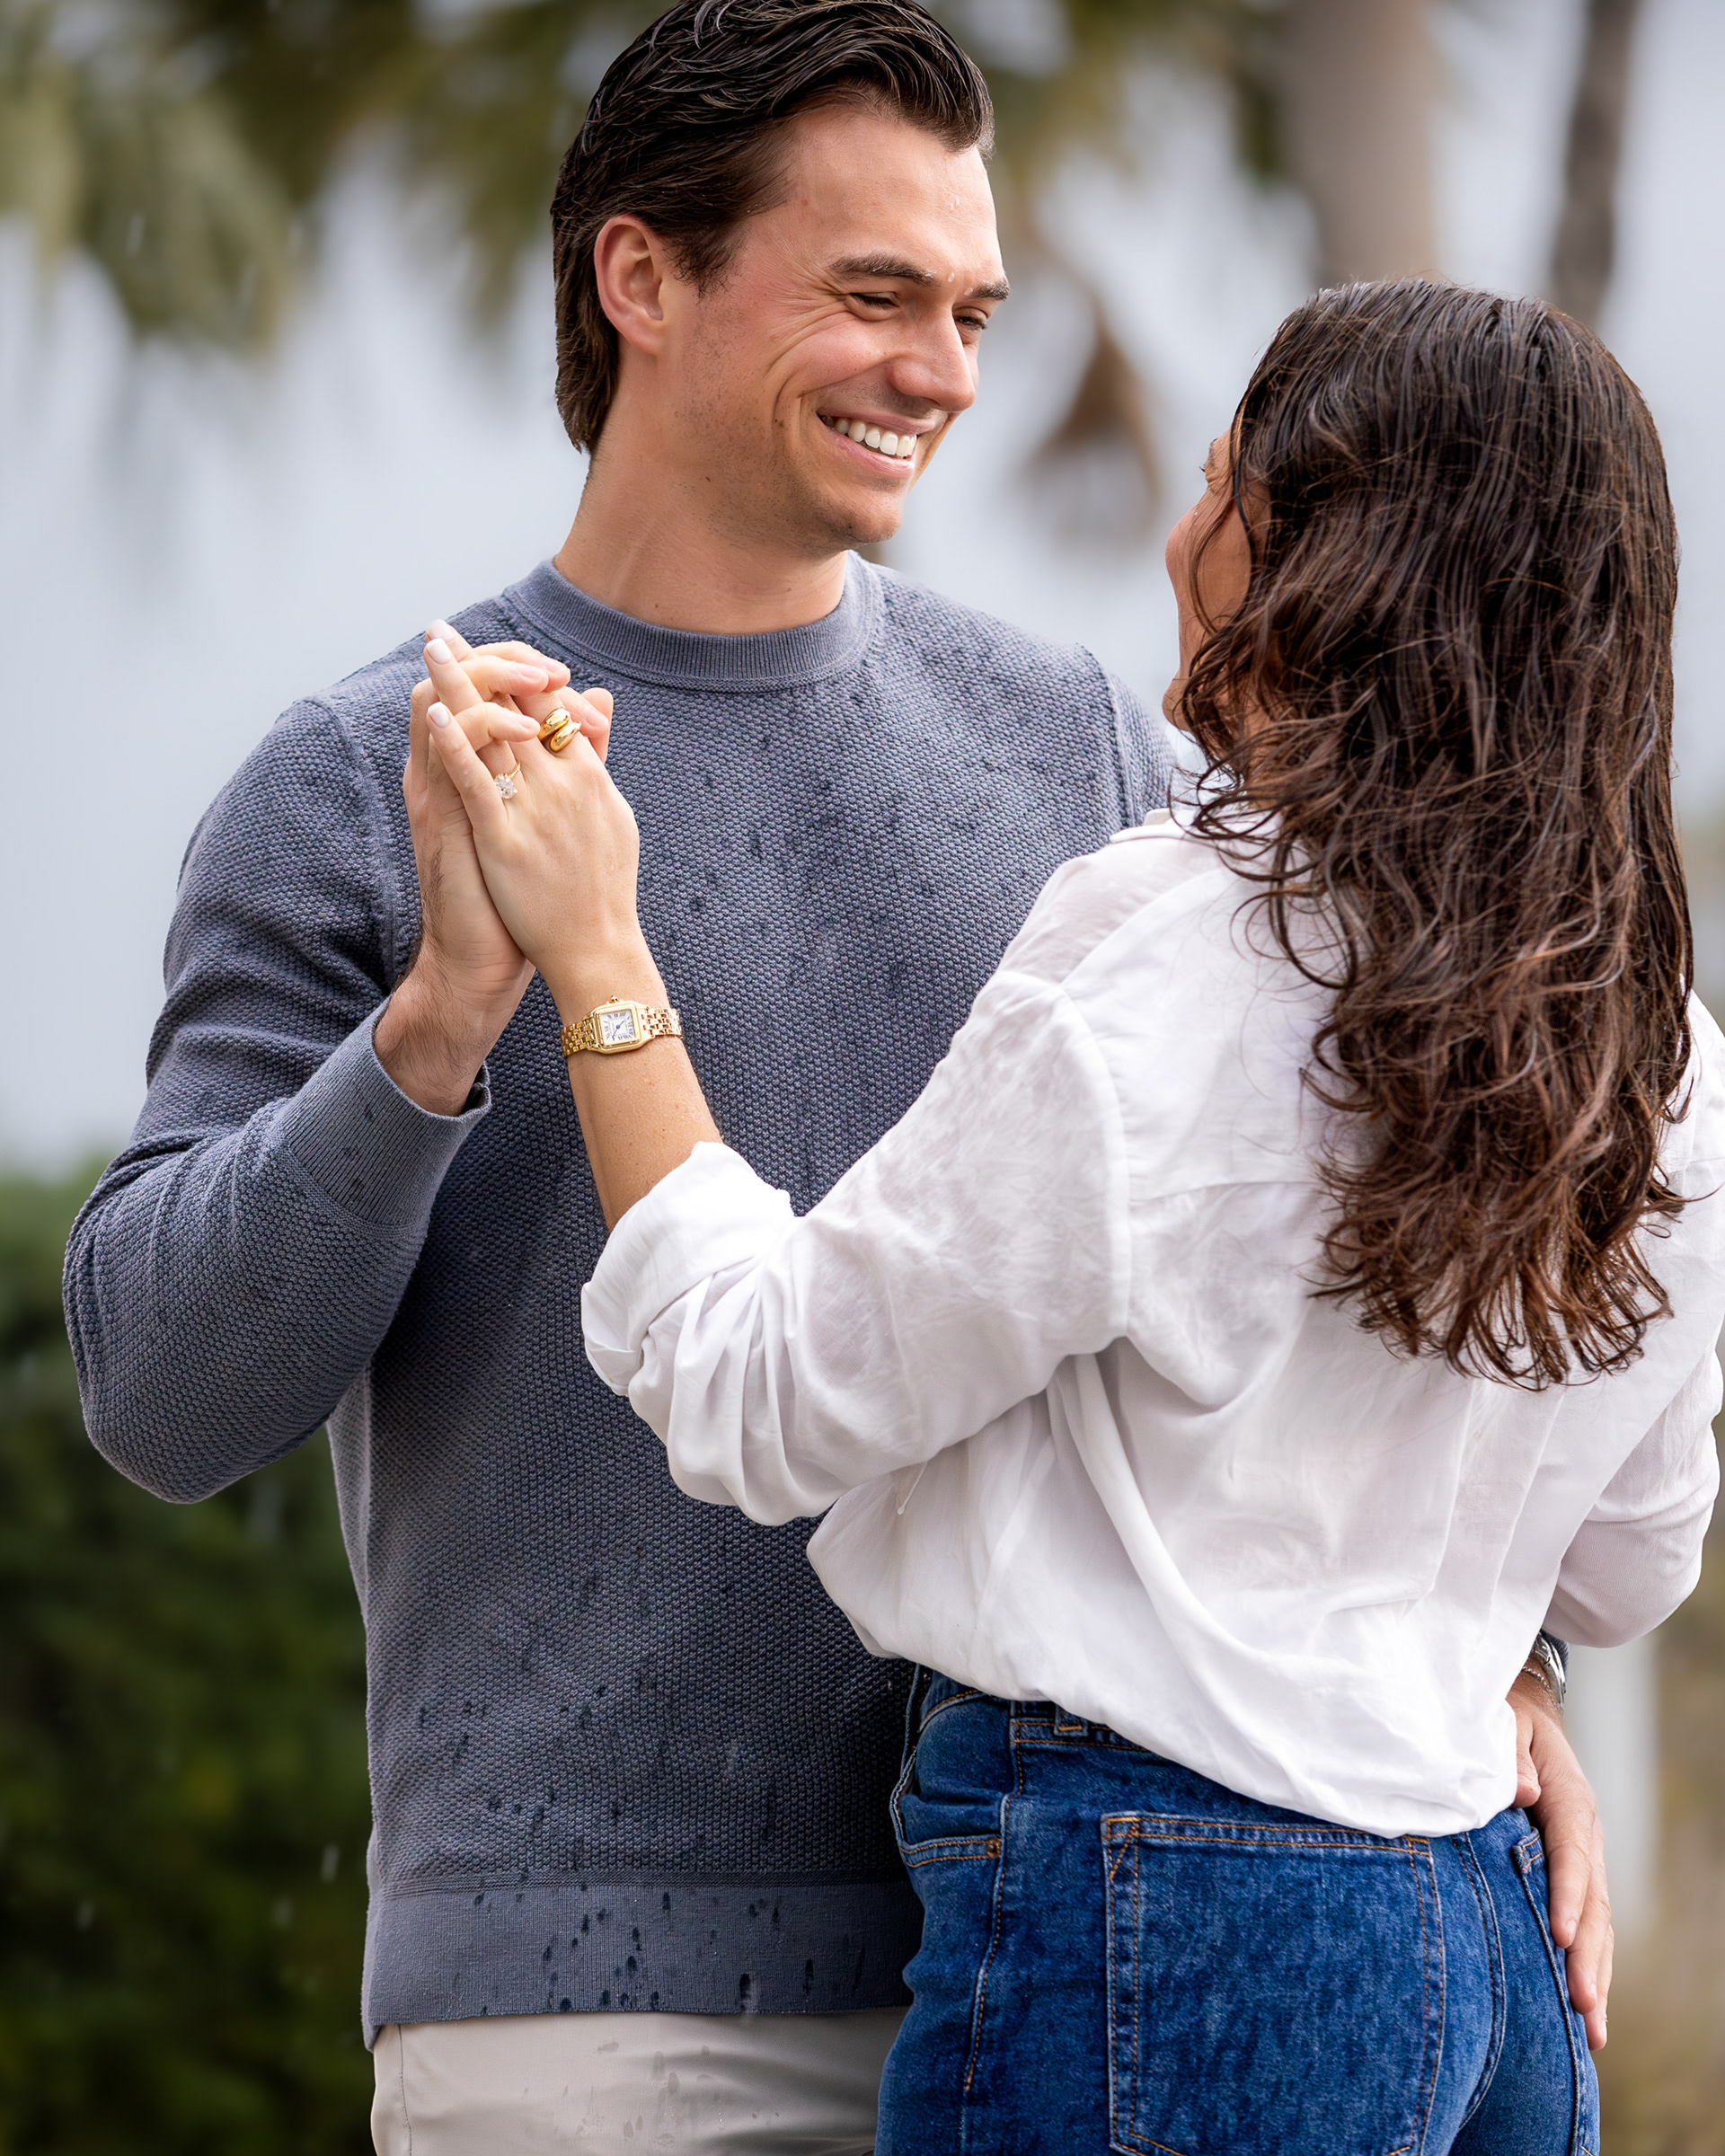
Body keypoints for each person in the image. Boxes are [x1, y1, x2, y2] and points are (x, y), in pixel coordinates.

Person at [420, 278, 1717, 2152]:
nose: (1181, 543)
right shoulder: (1663, 1058)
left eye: (1219, 487)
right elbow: (1627, 1566)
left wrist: (596, 945)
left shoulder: (1183, 946)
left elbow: (762, 1390)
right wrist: (1456, 1626)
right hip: (1488, 1951)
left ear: (1321, 564)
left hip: (1170, 1926)